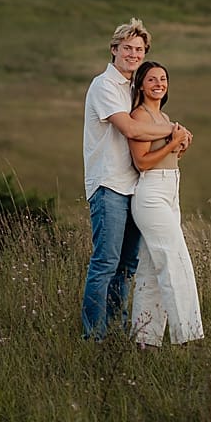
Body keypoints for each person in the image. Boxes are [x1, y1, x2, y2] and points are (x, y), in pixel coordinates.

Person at [82, 18, 191, 340]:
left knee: (127, 267)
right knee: (105, 263)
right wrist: (175, 131)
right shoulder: (104, 86)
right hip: (109, 185)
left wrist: (175, 137)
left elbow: (147, 132)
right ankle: (94, 337)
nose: (132, 54)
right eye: (127, 48)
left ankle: (117, 330)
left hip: (136, 187)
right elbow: (130, 129)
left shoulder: (133, 88)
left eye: (139, 50)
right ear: (114, 50)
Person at [127, 60, 202, 348]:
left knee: (149, 268)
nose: (159, 84)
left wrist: (180, 147)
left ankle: (144, 340)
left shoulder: (165, 117)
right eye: (152, 80)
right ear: (141, 85)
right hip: (151, 194)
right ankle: (188, 335)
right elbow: (142, 163)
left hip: (171, 189)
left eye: (163, 79)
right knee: (177, 261)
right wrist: (173, 142)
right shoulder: (139, 117)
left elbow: (167, 159)